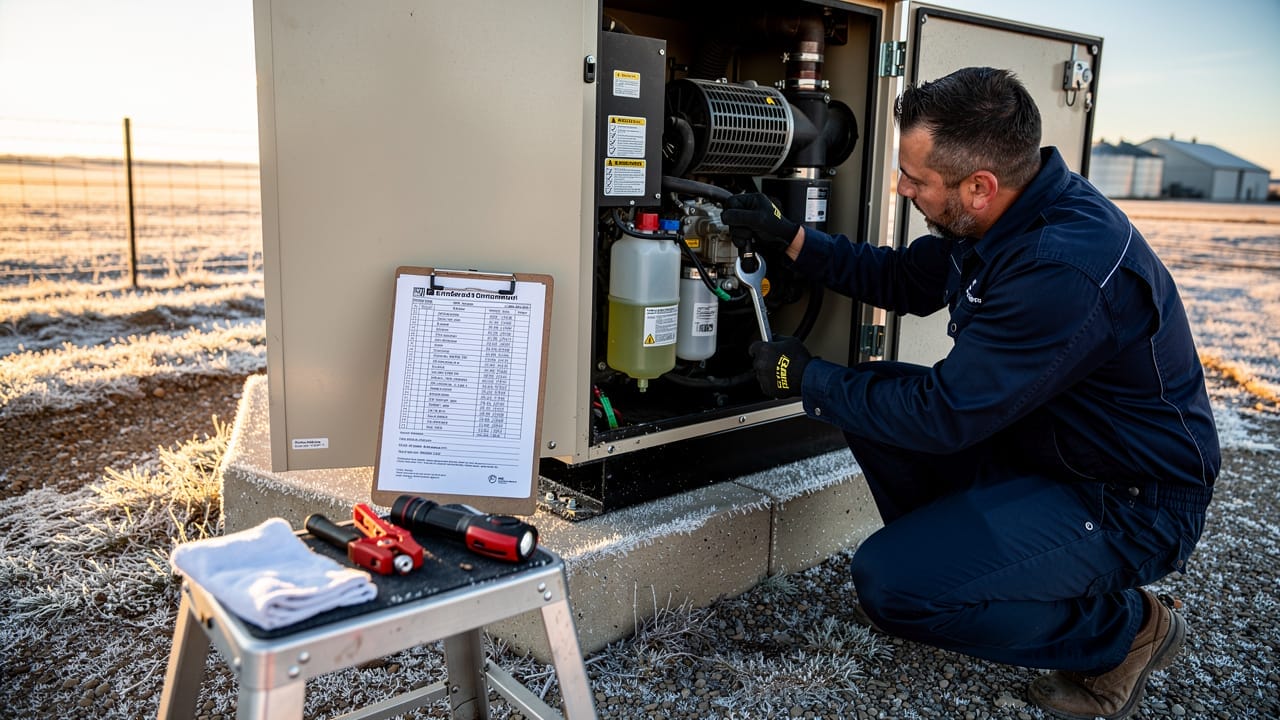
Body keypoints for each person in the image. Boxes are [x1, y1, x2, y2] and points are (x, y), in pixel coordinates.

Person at [720, 66, 1218, 720]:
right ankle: (968, 569)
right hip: (1056, 457)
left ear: (979, 187)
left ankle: (1125, 631)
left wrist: (806, 379)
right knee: (873, 395)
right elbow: (902, 280)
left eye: (916, 179)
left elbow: (944, 418)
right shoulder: (1009, 215)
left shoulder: (1060, 265)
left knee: (892, 585)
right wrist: (790, 238)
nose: (902, 188)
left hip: (1132, 500)